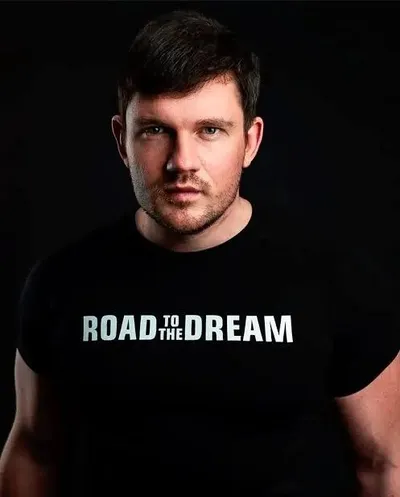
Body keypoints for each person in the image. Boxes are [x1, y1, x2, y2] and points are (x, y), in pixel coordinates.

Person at [1, 9, 399, 497]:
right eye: (155, 130)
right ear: (121, 140)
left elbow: (386, 463)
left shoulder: (337, 281)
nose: (181, 162)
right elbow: (33, 450)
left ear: (250, 141)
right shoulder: (60, 284)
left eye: (210, 130)